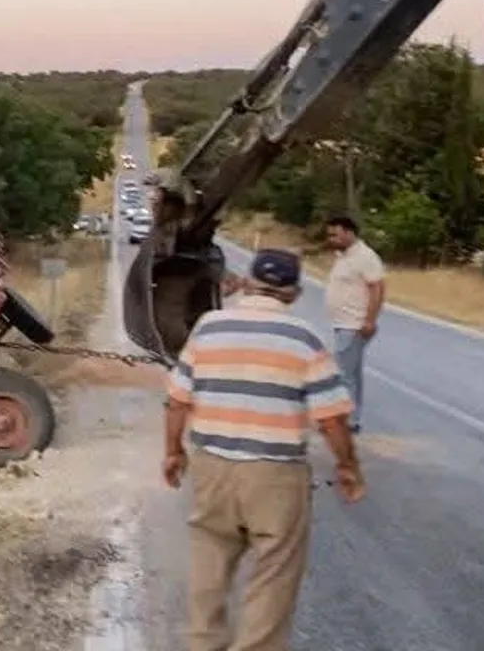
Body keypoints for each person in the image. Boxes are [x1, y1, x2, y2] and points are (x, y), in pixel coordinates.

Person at [163, 248, 365, 651]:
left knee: (209, 566)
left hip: (213, 466)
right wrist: (348, 466)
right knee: (274, 576)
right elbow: (331, 419)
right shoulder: (304, 338)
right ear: (295, 293)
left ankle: (202, 644)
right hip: (276, 476)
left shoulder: (209, 327)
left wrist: (173, 452)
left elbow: (178, 400)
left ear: (248, 283)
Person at [323, 215, 385, 433]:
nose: (331, 239)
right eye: (330, 235)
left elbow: (377, 288)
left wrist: (370, 320)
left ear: (349, 233)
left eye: (336, 234)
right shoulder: (343, 256)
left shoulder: (365, 256)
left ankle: (344, 421)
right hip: (343, 322)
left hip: (354, 323)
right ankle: (352, 419)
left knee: (342, 374)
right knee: (353, 373)